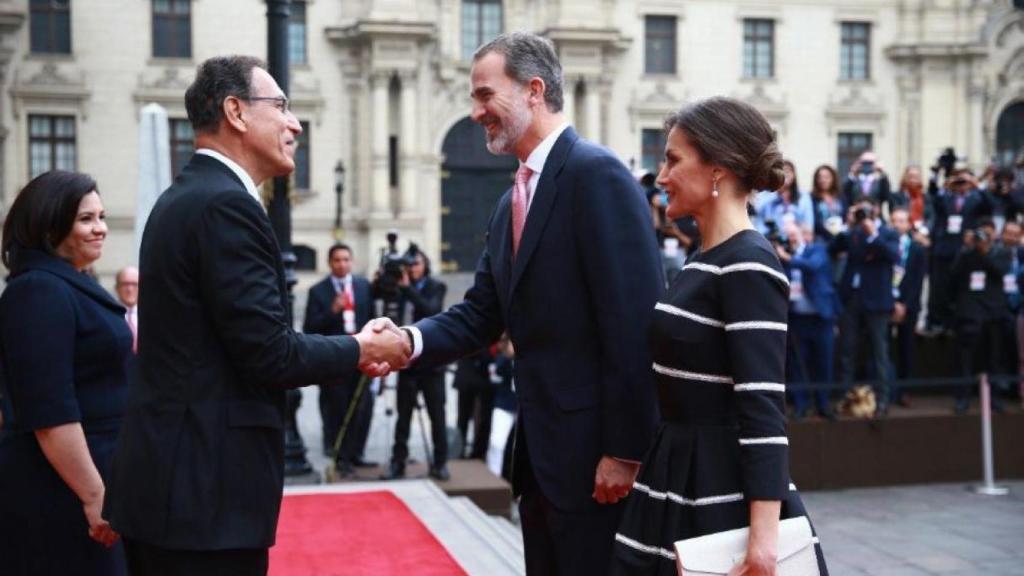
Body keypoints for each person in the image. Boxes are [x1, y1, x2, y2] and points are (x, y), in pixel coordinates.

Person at [104, 56, 408, 576]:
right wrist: (362, 347)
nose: (294, 124)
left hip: (178, 490)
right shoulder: (226, 205)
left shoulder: (183, 198)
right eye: (282, 107)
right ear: (236, 112)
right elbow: (270, 353)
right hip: (205, 496)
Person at [380, 32, 663, 573]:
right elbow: (481, 313)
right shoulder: (511, 199)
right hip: (541, 466)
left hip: (598, 466)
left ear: (534, 90)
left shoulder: (596, 176)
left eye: (486, 95)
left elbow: (633, 327)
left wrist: (626, 452)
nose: (475, 111)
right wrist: (407, 341)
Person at [612, 97, 828, 575]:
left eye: (672, 159)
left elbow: (763, 407)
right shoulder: (707, 259)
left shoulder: (748, 263)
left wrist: (764, 546)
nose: (660, 175)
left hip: (718, 492)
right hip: (675, 473)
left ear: (718, 170)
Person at [0, 171, 129, 575]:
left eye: (102, 216)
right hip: (61, 485)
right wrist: (94, 496)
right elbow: (51, 412)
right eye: (86, 219)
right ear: (50, 224)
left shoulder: (68, 282)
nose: (101, 229)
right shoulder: (39, 289)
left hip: (87, 472)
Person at [302, 244, 373, 475]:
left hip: (362, 354)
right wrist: (332, 311)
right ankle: (340, 457)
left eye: (346, 259)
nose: (342, 264)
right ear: (330, 263)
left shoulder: (363, 286)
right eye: (337, 260)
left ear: (351, 261)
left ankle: (356, 454)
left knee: (362, 406)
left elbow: (372, 318)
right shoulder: (318, 291)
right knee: (337, 407)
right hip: (334, 357)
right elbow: (309, 328)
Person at [383, 251, 450, 481]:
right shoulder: (401, 288)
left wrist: (407, 289)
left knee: (437, 415)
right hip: (407, 363)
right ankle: (398, 462)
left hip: (432, 363)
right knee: (403, 417)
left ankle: (441, 463)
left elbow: (431, 310)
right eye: (409, 264)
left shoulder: (436, 286)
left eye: (417, 263)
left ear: (426, 264)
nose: (412, 268)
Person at [831, 199, 900, 417]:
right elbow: (833, 249)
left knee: (880, 351)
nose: (863, 215)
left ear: (877, 210)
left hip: (877, 300)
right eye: (859, 210)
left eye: (867, 210)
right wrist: (848, 225)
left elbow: (892, 255)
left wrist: (872, 235)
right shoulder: (853, 233)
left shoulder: (888, 233)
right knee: (847, 349)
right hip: (852, 298)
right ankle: (844, 397)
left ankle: (883, 399)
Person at [774, 221, 840, 420]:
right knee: (796, 364)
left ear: (804, 235)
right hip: (797, 318)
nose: (791, 239)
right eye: (787, 235)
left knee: (824, 362)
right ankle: (801, 404)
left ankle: (823, 403)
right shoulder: (780, 257)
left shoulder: (816, 249)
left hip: (821, 318)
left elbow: (812, 267)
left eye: (794, 234)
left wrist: (787, 256)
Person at [949, 220, 1011, 414]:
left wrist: (984, 253)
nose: (983, 237)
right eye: (980, 233)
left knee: (994, 357)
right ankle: (963, 397)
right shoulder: (967, 253)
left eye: (987, 233)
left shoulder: (1002, 252)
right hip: (970, 310)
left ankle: (995, 397)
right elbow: (953, 274)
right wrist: (967, 248)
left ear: (994, 234)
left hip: (994, 311)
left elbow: (1000, 271)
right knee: (965, 357)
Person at [889, 207, 928, 407]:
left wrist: (904, 304)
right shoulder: (884, 246)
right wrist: (891, 303)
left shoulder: (917, 249)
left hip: (908, 306)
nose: (897, 224)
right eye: (894, 220)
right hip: (886, 304)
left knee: (907, 350)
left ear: (908, 224)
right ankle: (887, 391)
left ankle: (906, 391)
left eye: (902, 221)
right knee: (884, 350)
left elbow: (918, 281)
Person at [757, 159, 814, 235]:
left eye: (789, 171)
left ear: (794, 175)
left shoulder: (803, 196)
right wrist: (778, 189)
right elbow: (758, 214)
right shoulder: (765, 195)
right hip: (770, 239)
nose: (786, 173)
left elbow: (809, 224)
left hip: (797, 239)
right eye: (782, 170)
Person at [810, 164, 845, 242]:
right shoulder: (812, 198)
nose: (823, 180)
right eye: (820, 177)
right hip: (821, 237)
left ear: (833, 179)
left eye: (827, 177)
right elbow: (814, 220)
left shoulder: (840, 196)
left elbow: (845, 215)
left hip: (840, 237)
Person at [890, 166, 932, 231]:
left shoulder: (926, 197)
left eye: (916, 177)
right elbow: (897, 215)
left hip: (923, 231)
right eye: (910, 176)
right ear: (905, 178)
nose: (913, 180)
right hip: (904, 231)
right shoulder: (896, 196)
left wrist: (924, 231)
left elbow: (931, 217)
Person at [114, 267, 139, 354]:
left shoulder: (152, 316)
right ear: (116, 288)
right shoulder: (108, 314)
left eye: (134, 284)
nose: (130, 289)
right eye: (125, 284)